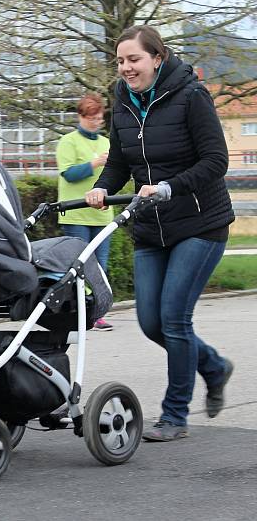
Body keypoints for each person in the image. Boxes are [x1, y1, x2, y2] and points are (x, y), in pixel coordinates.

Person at [85, 25, 235, 442]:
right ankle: (213, 366)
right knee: (151, 322)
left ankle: (174, 416)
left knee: (174, 319)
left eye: (134, 59)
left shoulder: (191, 96)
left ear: (157, 57)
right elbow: (119, 161)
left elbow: (215, 161)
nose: (126, 67)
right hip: (152, 227)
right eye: (120, 61)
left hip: (201, 224)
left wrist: (172, 187)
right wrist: (103, 187)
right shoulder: (122, 100)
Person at [56, 93, 115, 331]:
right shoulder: (68, 142)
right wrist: (94, 164)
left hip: (101, 215)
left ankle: (98, 313)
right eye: (91, 118)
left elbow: (113, 177)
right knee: (78, 265)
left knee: (100, 266)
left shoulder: (106, 143)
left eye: (99, 119)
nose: (96, 123)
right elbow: (69, 174)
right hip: (77, 214)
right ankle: (79, 311)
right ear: (81, 116)